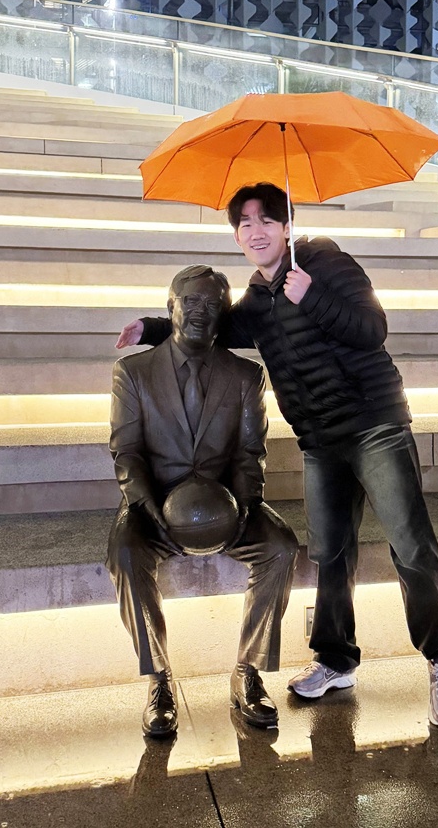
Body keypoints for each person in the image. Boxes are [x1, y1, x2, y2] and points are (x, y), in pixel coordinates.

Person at [117, 184, 438, 728]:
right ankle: (336, 659)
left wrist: (313, 297)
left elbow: (373, 329)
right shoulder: (256, 299)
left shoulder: (324, 261)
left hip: (374, 424)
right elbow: (211, 328)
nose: (255, 231)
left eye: (266, 220)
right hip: (319, 440)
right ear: (238, 236)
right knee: (330, 551)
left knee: (411, 544)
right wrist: (154, 327)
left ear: (286, 226)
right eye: (245, 223)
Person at [107, 263, 298, 737]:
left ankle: (248, 672)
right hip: (154, 504)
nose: (200, 312)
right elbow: (127, 451)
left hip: (226, 503)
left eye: (213, 305)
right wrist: (146, 505)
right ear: (170, 306)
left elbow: (250, 453)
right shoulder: (133, 372)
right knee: (125, 553)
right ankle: (159, 679)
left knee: (281, 547)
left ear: (223, 315)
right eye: (190, 301)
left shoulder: (246, 375)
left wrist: (243, 508)